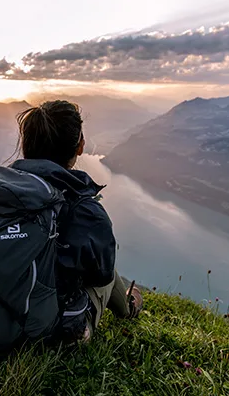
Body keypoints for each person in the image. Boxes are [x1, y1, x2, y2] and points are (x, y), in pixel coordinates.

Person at [10, 100, 143, 342]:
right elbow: (102, 274)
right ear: (79, 146)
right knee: (109, 269)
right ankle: (129, 307)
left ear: (26, 145)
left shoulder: (2, 192)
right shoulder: (85, 210)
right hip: (53, 334)